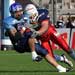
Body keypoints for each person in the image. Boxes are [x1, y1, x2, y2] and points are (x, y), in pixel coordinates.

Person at [3, 3, 70, 72]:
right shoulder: (8, 21)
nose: (19, 13)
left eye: (20, 11)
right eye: (16, 12)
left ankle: (60, 68)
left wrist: (33, 25)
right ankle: (34, 55)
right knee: (31, 34)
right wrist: (24, 28)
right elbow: (16, 37)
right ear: (11, 13)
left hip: (28, 41)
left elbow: (33, 25)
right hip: (19, 44)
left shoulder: (25, 16)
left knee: (43, 51)